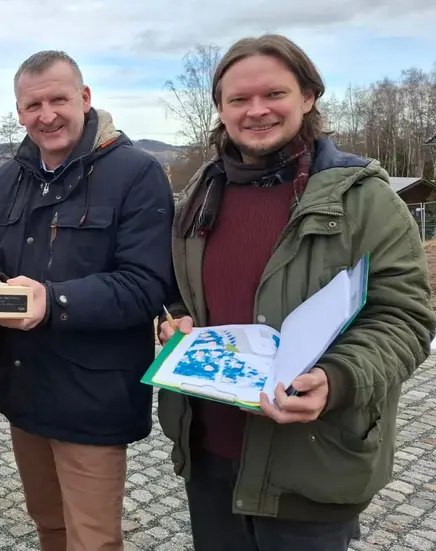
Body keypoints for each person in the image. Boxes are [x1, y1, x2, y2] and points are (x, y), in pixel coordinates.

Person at [157, 33, 436, 551]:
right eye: (238, 99)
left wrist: (338, 379)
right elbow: (181, 293)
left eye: (274, 94)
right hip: (210, 451)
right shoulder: (201, 191)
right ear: (220, 107)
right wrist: (175, 321)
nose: (256, 110)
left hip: (313, 455)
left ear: (308, 97)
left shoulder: (362, 197)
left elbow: (405, 317)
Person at [0, 50, 175, 551]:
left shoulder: (136, 174)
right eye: (32, 104)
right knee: (50, 526)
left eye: (58, 99)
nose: (47, 115)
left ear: (84, 98)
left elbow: (146, 283)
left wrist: (53, 301)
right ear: (18, 112)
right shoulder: (4, 179)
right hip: (22, 388)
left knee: (92, 540)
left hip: (92, 397)